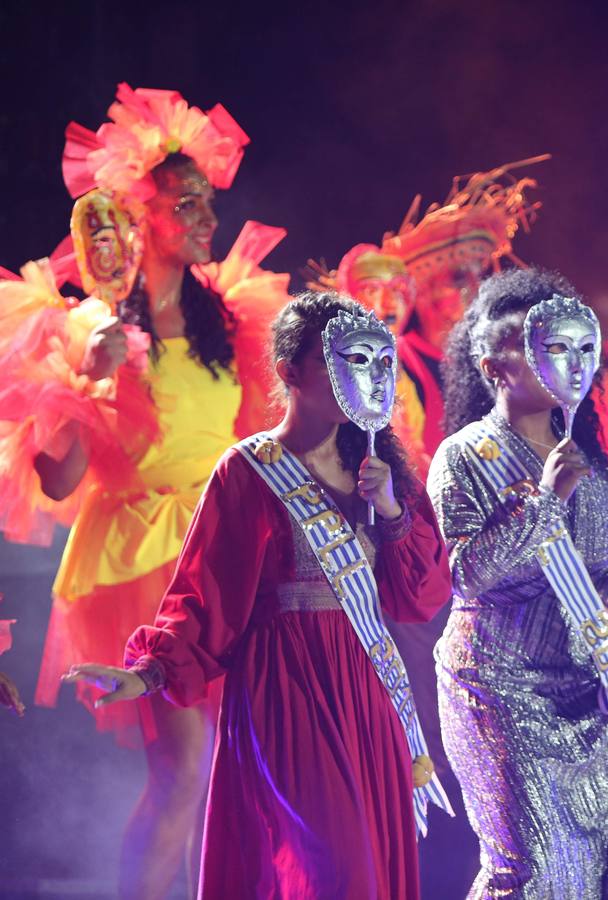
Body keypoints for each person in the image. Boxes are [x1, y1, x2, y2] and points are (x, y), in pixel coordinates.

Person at [64, 291, 453, 898]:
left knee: (369, 871)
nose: (372, 379)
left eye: (381, 364)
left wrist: (392, 510)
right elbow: (203, 594)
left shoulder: (384, 474)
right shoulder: (249, 470)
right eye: (349, 361)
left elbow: (421, 597)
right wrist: (148, 673)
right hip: (287, 692)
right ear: (290, 372)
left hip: (368, 691)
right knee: (333, 868)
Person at [0, 83, 289, 899]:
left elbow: (262, 443)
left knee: (243, 774)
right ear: (141, 217)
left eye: (207, 201)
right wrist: (87, 384)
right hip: (148, 565)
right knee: (185, 776)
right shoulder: (95, 328)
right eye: (186, 204)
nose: (208, 218)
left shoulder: (229, 320)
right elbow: (55, 477)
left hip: (229, 554)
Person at [431, 268, 608, 898]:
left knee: (586, 874)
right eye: (543, 348)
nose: (563, 361)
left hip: (584, 685)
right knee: (527, 867)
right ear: (492, 369)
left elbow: (603, 565)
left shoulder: (582, 459)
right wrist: (540, 503)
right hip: (496, 686)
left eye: (575, 348)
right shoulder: (461, 457)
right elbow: (467, 576)